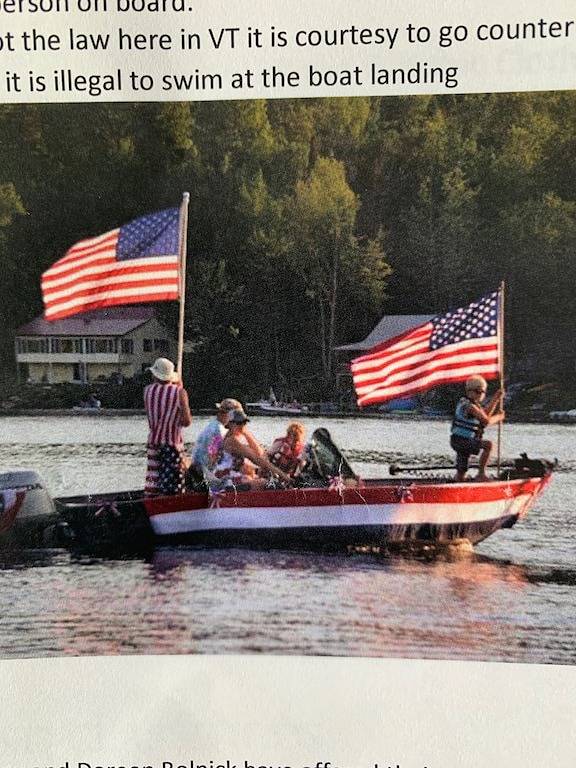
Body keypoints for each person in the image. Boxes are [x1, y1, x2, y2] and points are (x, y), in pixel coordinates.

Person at [144, 357, 192, 496]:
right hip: (172, 443)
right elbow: (187, 421)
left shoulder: (147, 390)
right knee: (172, 485)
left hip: (153, 442)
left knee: (153, 479)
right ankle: (171, 504)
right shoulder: (179, 392)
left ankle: (151, 500)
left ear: (155, 375)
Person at [212, 409, 292, 489]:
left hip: (234, 476)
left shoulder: (239, 437)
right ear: (230, 424)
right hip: (226, 480)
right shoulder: (231, 440)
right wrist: (283, 476)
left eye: (244, 423)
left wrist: (246, 433)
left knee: (263, 479)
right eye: (239, 423)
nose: (242, 426)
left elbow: (260, 453)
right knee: (265, 483)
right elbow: (257, 459)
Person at [450, 375, 505, 481]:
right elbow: (486, 421)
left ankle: (459, 479)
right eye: (479, 392)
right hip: (463, 441)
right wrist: (499, 417)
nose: (481, 395)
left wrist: (496, 399)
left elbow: (485, 414)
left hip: (459, 440)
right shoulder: (469, 406)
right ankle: (481, 474)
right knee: (488, 445)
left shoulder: (470, 404)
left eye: (482, 392)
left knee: (462, 469)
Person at [191, 397, 244, 480]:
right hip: (207, 475)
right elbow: (216, 457)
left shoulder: (213, 426)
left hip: (198, 470)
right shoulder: (220, 431)